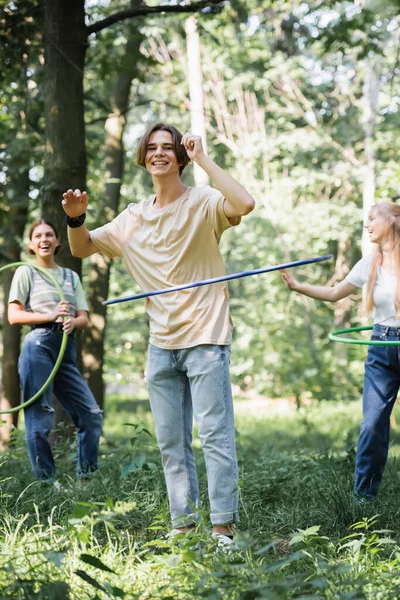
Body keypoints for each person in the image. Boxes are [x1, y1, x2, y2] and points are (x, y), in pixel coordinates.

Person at [61, 122, 255, 545]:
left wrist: (204, 158)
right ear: (144, 156)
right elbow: (80, 248)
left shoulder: (204, 202)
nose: (159, 153)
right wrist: (76, 217)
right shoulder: (133, 218)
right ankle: (182, 526)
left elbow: (244, 201)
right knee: (171, 443)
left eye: (168, 147)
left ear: (180, 157)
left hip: (205, 336)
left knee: (215, 436)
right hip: (161, 344)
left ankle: (222, 527)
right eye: (152, 147)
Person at [281, 201, 400, 501]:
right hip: (380, 347)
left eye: (373, 218)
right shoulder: (369, 262)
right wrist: (298, 287)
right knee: (372, 426)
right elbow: (335, 294)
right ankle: (364, 499)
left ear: (393, 220)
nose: (367, 224)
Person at [8, 219, 103, 483]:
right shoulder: (26, 272)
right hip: (37, 345)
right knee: (40, 416)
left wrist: (73, 321)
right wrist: (51, 315)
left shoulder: (70, 277)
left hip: (65, 346)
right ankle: (46, 483)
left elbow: (83, 317)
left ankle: (87, 479)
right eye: (38, 235)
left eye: (49, 234)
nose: (44, 239)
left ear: (58, 241)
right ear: (31, 245)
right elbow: (14, 315)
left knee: (91, 414)